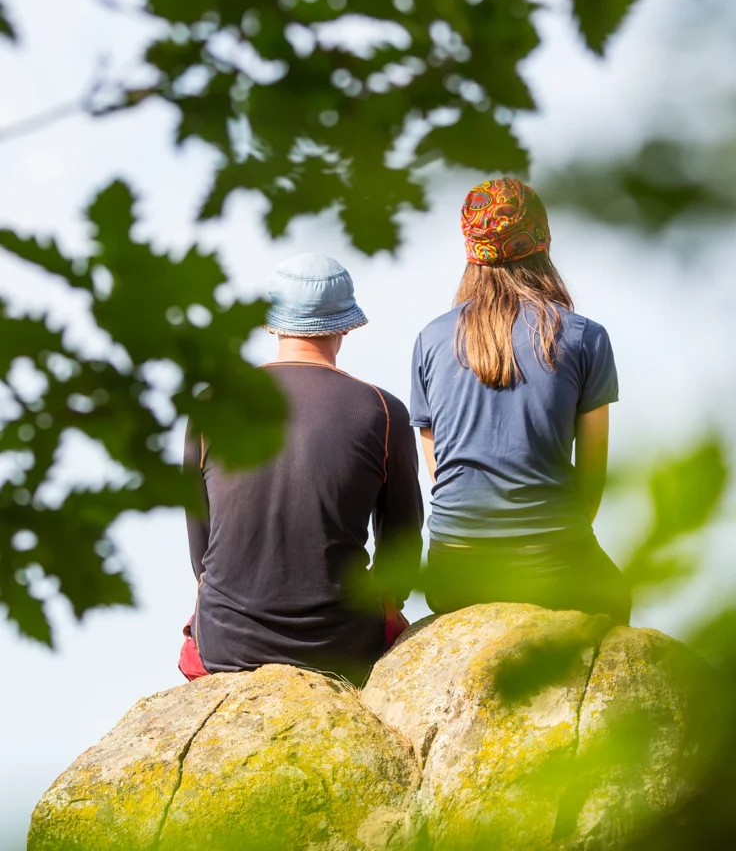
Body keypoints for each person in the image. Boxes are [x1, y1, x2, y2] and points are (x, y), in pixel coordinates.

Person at [180, 252, 424, 686]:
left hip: (227, 643)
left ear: (272, 324)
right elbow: (401, 546)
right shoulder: (383, 411)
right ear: (347, 324)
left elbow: (201, 554)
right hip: (342, 645)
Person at [410, 177, 631, 624]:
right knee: (616, 598)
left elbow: (441, 469)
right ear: (542, 241)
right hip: (552, 563)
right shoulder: (585, 337)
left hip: (454, 572)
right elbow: (592, 477)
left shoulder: (431, 339)